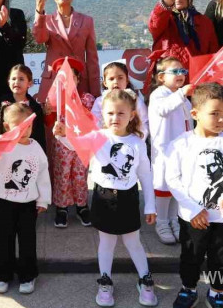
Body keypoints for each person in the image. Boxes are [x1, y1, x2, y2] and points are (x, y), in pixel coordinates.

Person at [55, 89, 157, 308]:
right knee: (106, 242)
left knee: (133, 242)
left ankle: (145, 279)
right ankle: (105, 280)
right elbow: (73, 143)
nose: (115, 118)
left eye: (121, 113)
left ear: (132, 115)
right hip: (103, 197)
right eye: (110, 113)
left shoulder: (138, 142)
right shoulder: (97, 137)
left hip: (128, 199)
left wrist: (150, 205)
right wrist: (61, 134)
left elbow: (146, 175)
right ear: (103, 114)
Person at [163, 83, 223, 308]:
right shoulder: (181, 144)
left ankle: (217, 292)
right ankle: (188, 288)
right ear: (195, 113)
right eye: (214, 113)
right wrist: (192, 209)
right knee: (191, 255)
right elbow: (173, 180)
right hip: (194, 218)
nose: (221, 119)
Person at [0, 103, 51, 295]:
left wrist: (43, 200)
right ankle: (3, 275)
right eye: (18, 126)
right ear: (7, 126)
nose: (24, 131)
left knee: (27, 241)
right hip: (5, 203)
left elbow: (43, 175)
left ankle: (28, 275)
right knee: (5, 240)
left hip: (28, 204)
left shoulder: (36, 148)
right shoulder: (2, 146)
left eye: (28, 126)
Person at [45, 57, 96, 228]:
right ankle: (62, 207)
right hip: (62, 144)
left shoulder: (86, 98)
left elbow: (87, 121)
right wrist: (48, 114)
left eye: (71, 76)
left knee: (80, 176)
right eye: (63, 77)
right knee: (62, 174)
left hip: (81, 143)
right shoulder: (54, 99)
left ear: (78, 79)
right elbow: (49, 122)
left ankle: (82, 206)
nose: (67, 80)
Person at [32, 0, 101, 101]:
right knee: (53, 120)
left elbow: (92, 60)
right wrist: (39, 11)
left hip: (79, 82)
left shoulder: (87, 21)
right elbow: (39, 38)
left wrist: (95, 92)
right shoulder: (46, 20)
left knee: (79, 119)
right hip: (54, 81)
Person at [148, 56, 193, 245]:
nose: (180, 74)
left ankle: (174, 220)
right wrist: (182, 93)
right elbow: (163, 110)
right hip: (165, 151)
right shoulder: (159, 95)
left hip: (184, 152)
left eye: (183, 71)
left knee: (178, 187)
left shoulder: (184, 99)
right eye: (175, 71)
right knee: (163, 186)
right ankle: (162, 221)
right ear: (161, 77)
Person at [146, 0, 218, 92]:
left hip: (196, 86)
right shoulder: (164, 18)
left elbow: (213, 54)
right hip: (167, 85)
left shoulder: (204, 22)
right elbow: (155, 23)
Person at [91, 61, 149, 137]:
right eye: (111, 79)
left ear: (127, 80)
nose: (116, 82)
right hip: (107, 141)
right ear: (105, 83)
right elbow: (94, 122)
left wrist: (138, 139)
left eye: (120, 78)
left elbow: (143, 121)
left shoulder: (135, 100)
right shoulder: (100, 101)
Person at [0, 64, 46, 152]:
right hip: (7, 151)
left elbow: (40, 135)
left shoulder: (35, 108)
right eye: (13, 79)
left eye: (21, 79)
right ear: (8, 81)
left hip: (27, 152)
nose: (16, 82)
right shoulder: (2, 102)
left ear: (30, 83)